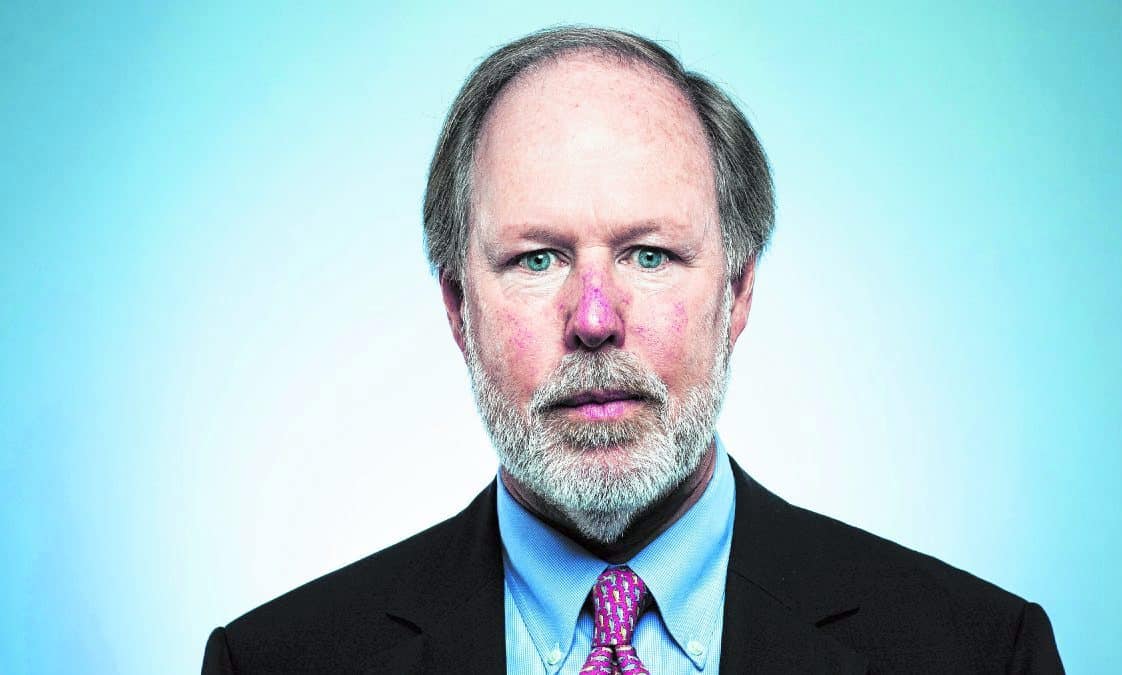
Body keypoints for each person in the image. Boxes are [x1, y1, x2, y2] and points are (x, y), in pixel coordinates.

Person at [202, 26, 1064, 674]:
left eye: (648, 255)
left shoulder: (981, 653)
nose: (594, 317)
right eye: (537, 258)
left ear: (737, 292)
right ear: (458, 307)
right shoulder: (273, 663)